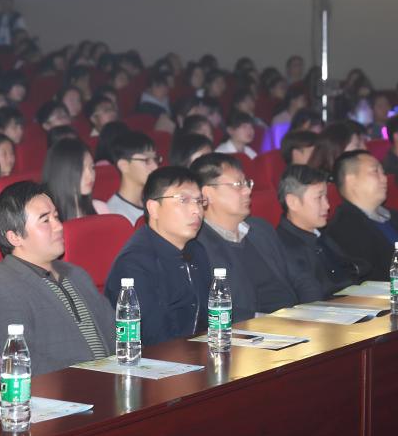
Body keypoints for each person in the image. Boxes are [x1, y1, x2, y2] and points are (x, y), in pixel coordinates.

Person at [0, 183, 114, 373]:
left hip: (111, 380)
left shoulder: (77, 274)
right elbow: (21, 366)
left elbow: (117, 335)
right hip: (65, 389)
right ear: (15, 237)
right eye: (45, 220)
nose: (58, 226)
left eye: (56, 216)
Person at [104, 167, 212, 345]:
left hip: (198, 353)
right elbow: (152, 339)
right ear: (153, 208)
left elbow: (213, 319)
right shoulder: (134, 264)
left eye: (199, 201)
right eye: (183, 200)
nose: (197, 210)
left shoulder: (197, 250)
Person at [191, 153, 301, 320]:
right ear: (208, 194)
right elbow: (208, 309)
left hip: (294, 320)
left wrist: (314, 311)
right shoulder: (198, 246)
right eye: (238, 185)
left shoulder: (261, 229)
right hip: (251, 329)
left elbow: (300, 277)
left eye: (247, 183)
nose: (248, 191)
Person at [321, 150, 398, 282]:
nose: (384, 178)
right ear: (351, 180)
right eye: (375, 172)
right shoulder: (344, 229)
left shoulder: (394, 216)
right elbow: (374, 280)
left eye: (383, 172)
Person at [275, 164, 338, 301]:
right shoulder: (284, 247)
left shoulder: (323, 234)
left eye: (326, 197)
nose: (327, 206)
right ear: (293, 202)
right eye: (319, 198)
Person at [43, 137, 108, 221]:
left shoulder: (100, 208)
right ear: (62, 172)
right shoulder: (49, 220)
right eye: (81, 169)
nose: (90, 175)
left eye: (92, 167)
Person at [106, 131, 159, 225]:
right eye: (146, 160)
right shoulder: (115, 214)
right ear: (124, 165)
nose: (155, 167)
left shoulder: (156, 200)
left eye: (155, 159)